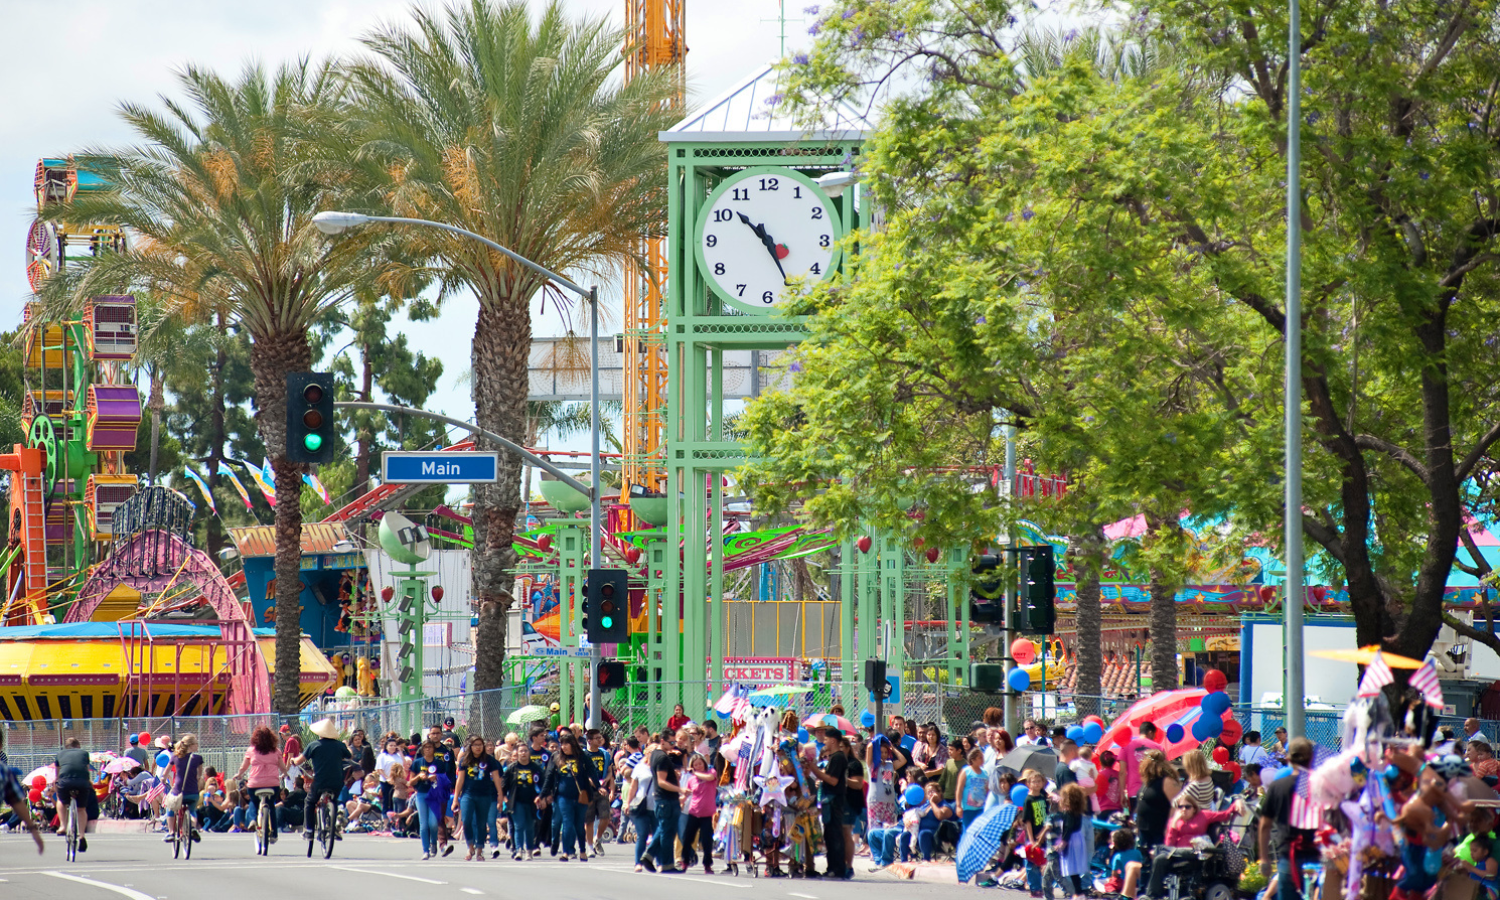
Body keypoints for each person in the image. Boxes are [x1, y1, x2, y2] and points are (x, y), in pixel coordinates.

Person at [1258, 737, 1317, 900]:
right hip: (1318, 857)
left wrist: (1264, 858)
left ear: (1288, 759)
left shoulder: (1278, 786)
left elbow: (1265, 825)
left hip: (1288, 858)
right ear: (1312, 758)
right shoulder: (1321, 784)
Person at [543, 730, 599, 862]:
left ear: (573, 744)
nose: (563, 747)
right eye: (561, 744)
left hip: (581, 796)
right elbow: (549, 776)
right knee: (567, 823)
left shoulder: (582, 756)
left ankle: (583, 850)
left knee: (579, 825)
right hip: (563, 796)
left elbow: (592, 772)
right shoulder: (556, 757)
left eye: (566, 744)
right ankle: (566, 852)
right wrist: (543, 793)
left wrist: (599, 787)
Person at [294, 717, 352, 842]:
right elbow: (349, 755)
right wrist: (346, 746)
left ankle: (309, 831)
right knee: (334, 800)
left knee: (309, 802)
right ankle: (334, 824)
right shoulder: (339, 745)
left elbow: (299, 761)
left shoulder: (314, 745)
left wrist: (293, 760)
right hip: (337, 781)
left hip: (320, 781)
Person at [452, 734, 502, 861]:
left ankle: (479, 850)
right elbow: (460, 780)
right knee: (467, 820)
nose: (478, 748)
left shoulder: (489, 760)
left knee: (481, 823)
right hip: (468, 794)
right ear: (471, 747)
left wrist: (500, 795)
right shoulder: (465, 760)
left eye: (480, 745)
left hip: (484, 795)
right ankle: (470, 847)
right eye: (475, 745)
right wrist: (455, 798)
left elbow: (496, 778)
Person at [234, 725, 287, 843]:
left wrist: (239, 775)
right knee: (271, 806)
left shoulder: (251, 750)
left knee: (254, 801)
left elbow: (243, 767)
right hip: (272, 784)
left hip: (255, 784)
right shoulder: (276, 751)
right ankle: (273, 833)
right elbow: (283, 767)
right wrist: (285, 774)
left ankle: (253, 819)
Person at [811, 727, 851, 879]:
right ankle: (831, 867)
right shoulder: (833, 757)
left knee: (835, 835)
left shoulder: (838, 757)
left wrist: (816, 771)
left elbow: (833, 780)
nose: (824, 741)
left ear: (833, 741)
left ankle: (838, 869)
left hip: (835, 800)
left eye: (826, 739)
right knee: (829, 834)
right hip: (829, 800)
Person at [651, 728, 688, 872]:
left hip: (664, 799)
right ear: (662, 741)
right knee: (666, 833)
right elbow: (661, 781)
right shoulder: (662, 757)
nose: (674, 745)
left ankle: (650, 857)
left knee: (664, 831)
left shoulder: (658, 754)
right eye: (671, 742)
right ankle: (664, 863)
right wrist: (680, 790)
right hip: (665, 799)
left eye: (675, 741)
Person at [53, 736, 99, 852]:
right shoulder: (84, 753)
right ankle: (82, 835)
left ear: (66, 747)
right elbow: (86, 769)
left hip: (65, 782)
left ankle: (63, 826)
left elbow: (57, 775)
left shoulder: (60, 754)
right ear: (78, 746)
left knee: (61, 800)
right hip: (82, 782)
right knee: (81, 809)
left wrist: (55, 785)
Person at [1133, 750, 1181, 856]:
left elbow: (1176, 806)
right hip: (1143, 830)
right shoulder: (1148, 781)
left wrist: (1169, 827)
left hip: (1159, 831)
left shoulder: (1167, 781)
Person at [502, 742, 544, 860]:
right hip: (516, 802)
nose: (523, 753)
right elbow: (503, 786)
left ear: (529, 753)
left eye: (525, 751)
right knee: (519, 825)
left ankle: (529, 850)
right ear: (517, 753)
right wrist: (505, 800)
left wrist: (541, 796)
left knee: (530, 827)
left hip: (532, 802)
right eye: (521, 751)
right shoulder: (512, 768)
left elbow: (543, 784)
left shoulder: (535, 768)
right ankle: (519, 850)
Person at [679, 752, 718, 874]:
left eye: (700, 764)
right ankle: (684, 861)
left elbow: (710, 778)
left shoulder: (711, 773)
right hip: (694, 812)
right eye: (696, 765)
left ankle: (707, 864)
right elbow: (687, 793)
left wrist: (695, 772)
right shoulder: (691, 779)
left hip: (707, 813)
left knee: (707, 840)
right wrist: (681, 801)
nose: (698, 766)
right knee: (687, 838)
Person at [623, 738, 658, 873]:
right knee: (642, 834)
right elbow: (633, 787)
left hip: (656, 806)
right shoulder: (640, 767)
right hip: (641, 804)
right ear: (647, 753)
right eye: (653, 752)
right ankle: (638, 862)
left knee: (657, 835)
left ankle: (657, 861)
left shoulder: (661, 767)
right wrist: (627, 802)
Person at [1052, 783, 1091, 899]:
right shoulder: (1077, 811)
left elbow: (1067, 827)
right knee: (1075, 868)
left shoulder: (1068, 812)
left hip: (1071, 840)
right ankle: (1078, 892)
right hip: (1078, 838)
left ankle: (1078, 893)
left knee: (1072, 868)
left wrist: (1063, 842)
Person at [409, 740, 444, 858]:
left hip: (434, 794)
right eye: (425, 747)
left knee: (433, 823)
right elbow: (410, 782)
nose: (428, 749)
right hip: (421, 794)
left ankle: (433, 842)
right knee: (423, 824)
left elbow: (445, 780)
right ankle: (425, 850)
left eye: (430, 747)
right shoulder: (417, 763)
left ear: (434, 749)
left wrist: (436, 778)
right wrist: (419, 776)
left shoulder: (439, 763)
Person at [168, 734, 206, 845]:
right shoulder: (198, 758)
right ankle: (193, 827)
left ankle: (170, 832)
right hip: (193, 793)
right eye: (196, 744)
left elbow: (166, 773)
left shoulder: (175, 757)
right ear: (192, 745)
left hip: (178, 792)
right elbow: (199, 776)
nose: (197, 746)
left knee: (170, 807)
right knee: (192, 811)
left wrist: (162, 779)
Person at [1020, 768, 1050, 896]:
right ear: (1028, 784)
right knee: (1032, 862)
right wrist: (1031, 840)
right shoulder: (1029, 800)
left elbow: (1048, 817)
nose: (1037, 784)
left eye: (1039, 781)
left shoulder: (1043, 798)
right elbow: (1027, 821)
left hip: (1043, 835)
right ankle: (1034, 888)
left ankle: (1041, 886)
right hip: (1032, 835)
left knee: (1042, 861)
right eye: (1034, 782)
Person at [582, 728, 612, 856]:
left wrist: (607, 779)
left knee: (605, 817)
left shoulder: (604, 754)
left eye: (601, 738)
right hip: (589, 790)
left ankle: (597, 839)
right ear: (589, 741)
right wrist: (595, 783)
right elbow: (583, 773)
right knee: (589, 820)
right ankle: (589, 847)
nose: (600, 740)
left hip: (603, 789)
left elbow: (610, 770)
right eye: (597, 738)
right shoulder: (584, 755)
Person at [1121, 721, 1164, 808]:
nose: (1154, 738)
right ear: (1150, 733)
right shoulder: (1159, 748)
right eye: (1154, 735)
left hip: (1133, 792)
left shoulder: (1126, 747)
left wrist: (1122, 793)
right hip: (1153, 792)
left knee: (1135, 820)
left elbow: (1122, 772)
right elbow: (1163, 771)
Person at [957, 747, 989, 831]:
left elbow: (987, 790)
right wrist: (958, 806)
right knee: (967, 831)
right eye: (980, 758)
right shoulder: (966, 771)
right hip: (968, 808)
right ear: (973, 759)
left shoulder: (985, 773)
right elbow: (959, 789)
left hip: (981, 808)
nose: (982, 759)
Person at [1104, 827, 1143, 896]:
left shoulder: (1117, 856)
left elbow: (1114, 874)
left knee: (1108, 883)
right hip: (1137, 881)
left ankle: (1113, 893)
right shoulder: (1137, 852)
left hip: (1123, 882)